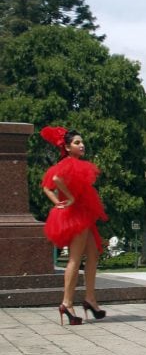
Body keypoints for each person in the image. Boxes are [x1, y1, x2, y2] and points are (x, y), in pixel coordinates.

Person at [40, 126, 108, 325]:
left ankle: (90, 299)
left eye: (82, 141)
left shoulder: (69, 163)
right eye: (77, 142)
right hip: (77, 215)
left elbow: (46, 187)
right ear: (68, 148)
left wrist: (57, 201)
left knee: (93, 254)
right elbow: (54, 180)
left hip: (83, 214)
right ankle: (67, 303)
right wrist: (67, 199)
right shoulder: (69, 164)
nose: (82, 145)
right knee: (75, 259)